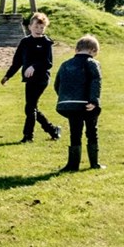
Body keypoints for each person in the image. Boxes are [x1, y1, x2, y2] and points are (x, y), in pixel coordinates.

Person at [0, 12, 62, 142]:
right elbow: (17, 62)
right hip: (29, 80)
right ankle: (52, 130)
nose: (39, 30)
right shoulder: (25, 42)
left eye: (42, 27)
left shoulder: (46, 43)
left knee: (30, 108)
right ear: (30, 27)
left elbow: (48, 63)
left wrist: (34, 66)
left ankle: (28, 136)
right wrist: (7, 76)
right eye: (36, 27)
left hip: (41, 79)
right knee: (32, 108)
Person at [52, 34, 102, 172]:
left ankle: (73, 165)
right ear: (93, 51)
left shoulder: (65, 64)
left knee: (75, 132)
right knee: (91, 131)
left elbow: (57, 84)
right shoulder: (93, 63)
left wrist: (65, 98)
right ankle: (94, 163)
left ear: (76, 49)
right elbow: (96, 82)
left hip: (68, 104)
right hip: (86, 104)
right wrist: (94, 101)